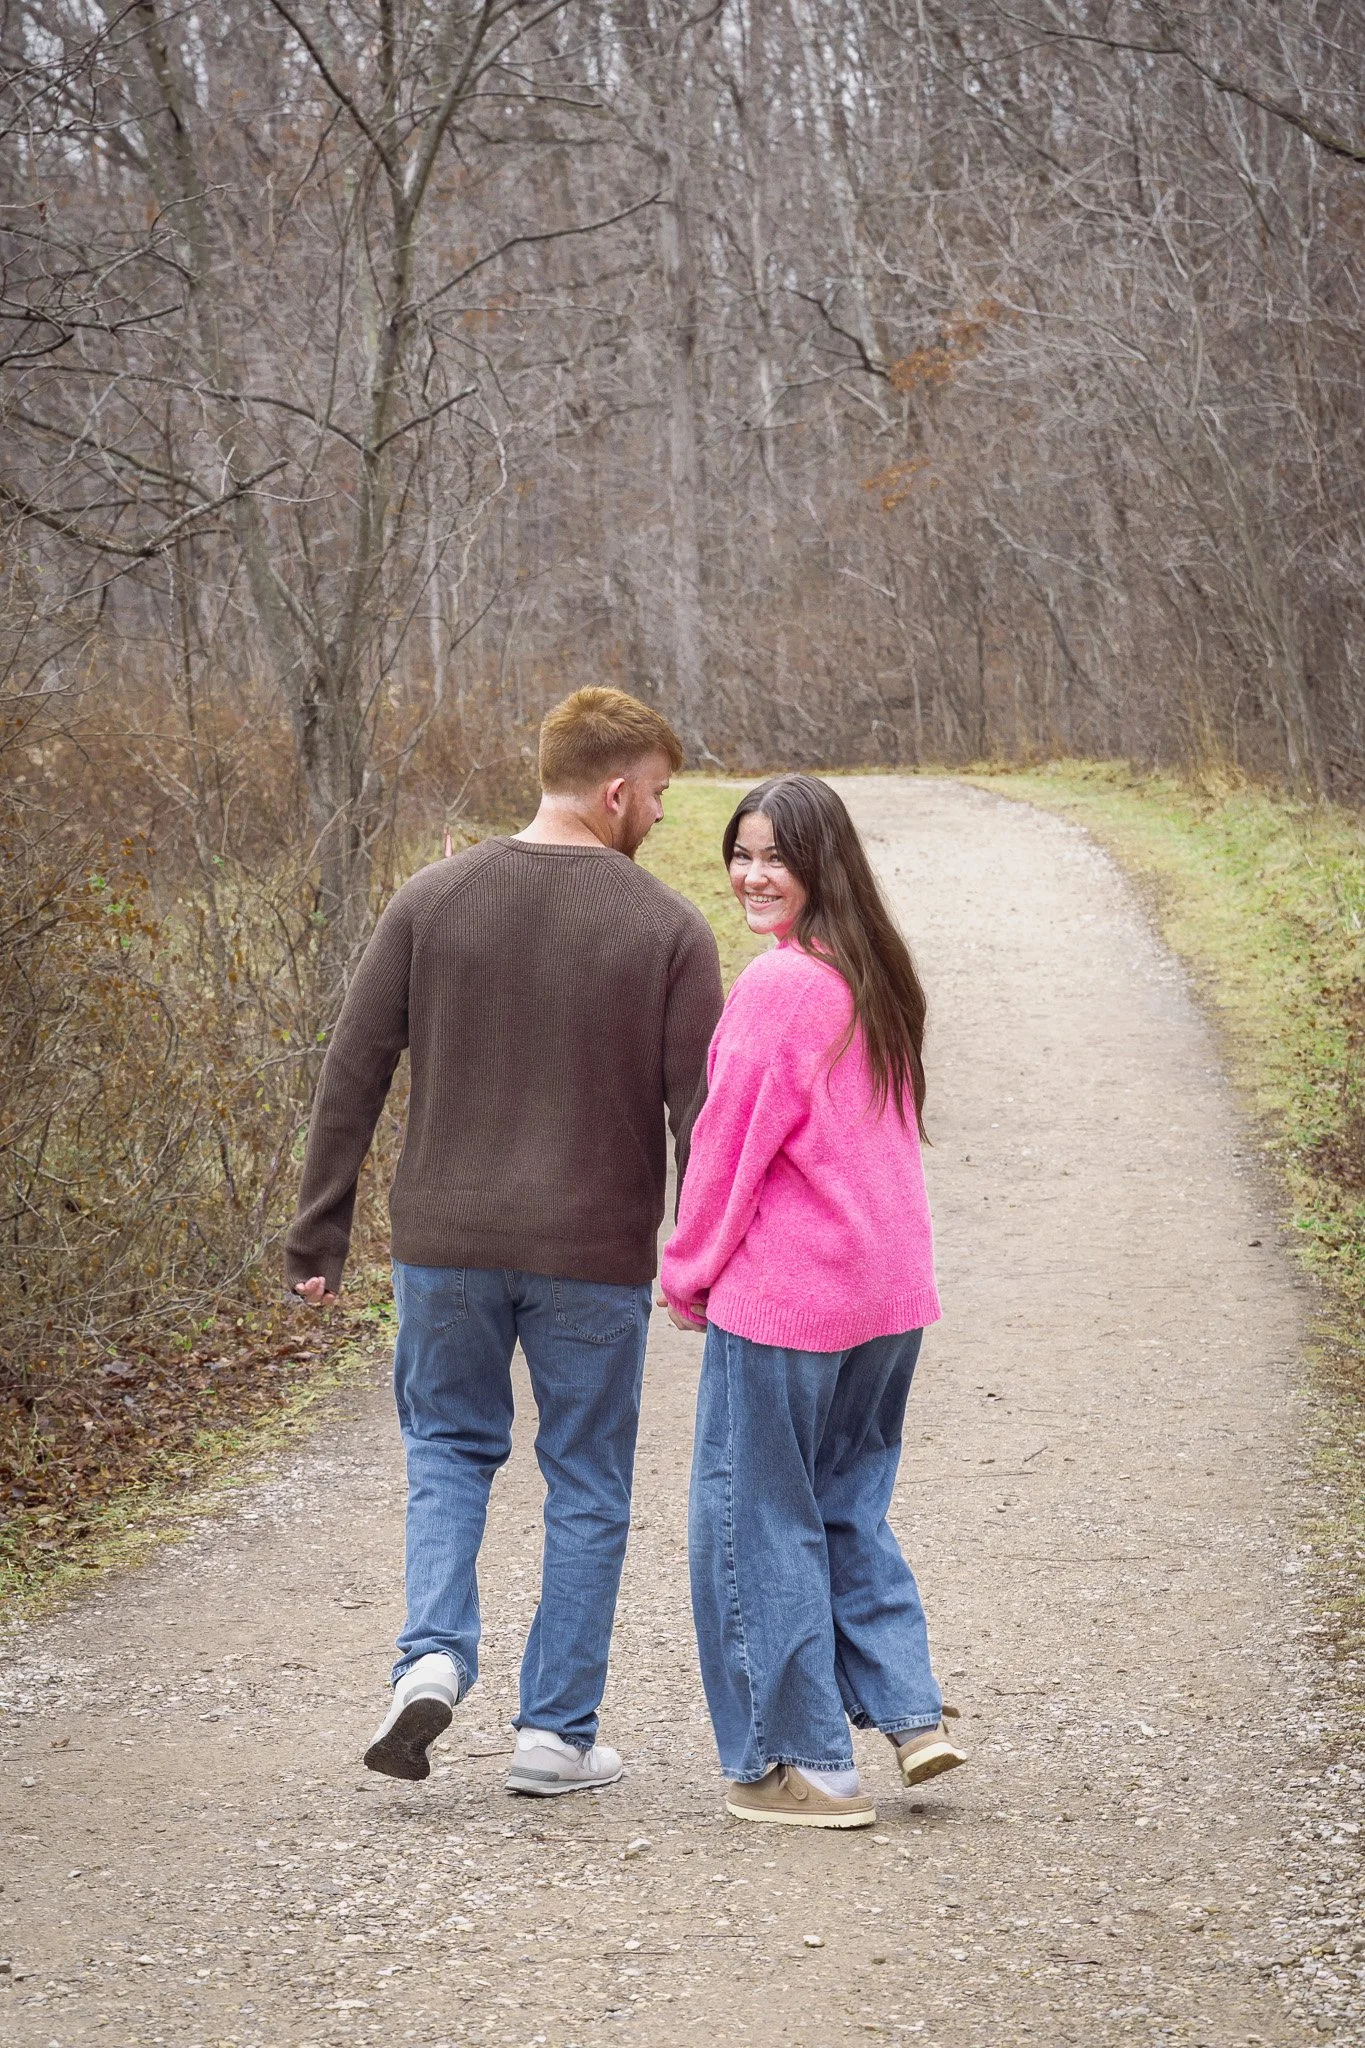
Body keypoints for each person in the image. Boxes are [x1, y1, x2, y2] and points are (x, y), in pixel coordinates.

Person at [287, 687, 723, 1795]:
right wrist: (707, 1257)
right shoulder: (668, 928)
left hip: (446, 1243)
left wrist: (318, 1235)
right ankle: (555, 1735)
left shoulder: (431, 897)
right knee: (585, 1481)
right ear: (617, 790)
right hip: (592, 1252)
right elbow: (701, 1115)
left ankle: (430, 1654)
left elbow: (353, 1070)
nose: (663, 818)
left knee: (446, 1450)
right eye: (661, 796)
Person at [659, 774, 964, 1830]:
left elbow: (727, 1143)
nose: (751, 874)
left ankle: (804, 1764)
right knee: (843, 1505)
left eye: (774, 856)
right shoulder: (871, 970)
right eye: (740, 852)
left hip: (792, 1300)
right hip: (887, 1295)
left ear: (819, 865)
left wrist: (688, 1267)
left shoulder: (782, 985)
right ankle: (911, 1709)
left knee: (753, 1520)